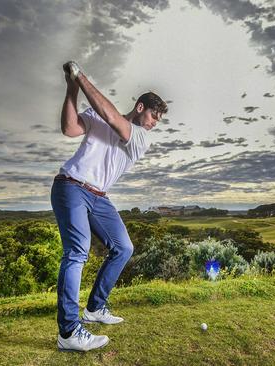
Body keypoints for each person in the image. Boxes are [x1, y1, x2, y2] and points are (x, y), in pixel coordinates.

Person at [52, 61, 168, 352]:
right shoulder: (100, 115)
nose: (155, 123)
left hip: (99, 197)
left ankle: (94, 308)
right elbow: (69, 128)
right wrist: (72, 87)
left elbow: (113, 118)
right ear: (141, 107)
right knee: (77, 251)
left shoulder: (140, 137)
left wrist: (81, 77)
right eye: (155, 115)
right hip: (71, 186)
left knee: (123, 247)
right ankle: (68, 332)